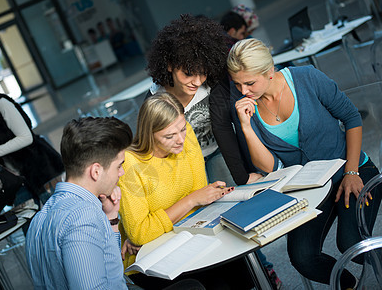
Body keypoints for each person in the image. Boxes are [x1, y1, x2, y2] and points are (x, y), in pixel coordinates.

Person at [227, 38, 382, 289]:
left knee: (351, 241)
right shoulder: (246, 107)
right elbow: (271, 167)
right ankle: (348, 285)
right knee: (303, 258)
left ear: (269, 72)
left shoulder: (307, 78)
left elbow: (352, 118)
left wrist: (352, 171)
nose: (243, 90)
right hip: (308, 189)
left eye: (249, 82)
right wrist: (245, 126)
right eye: (237, 84)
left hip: (352, 171)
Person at [25, 117, 204, 290]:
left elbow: (107, 272)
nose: (122, 172)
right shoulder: (83, 218)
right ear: (96, 171)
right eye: (119, 165)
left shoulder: (40, 218)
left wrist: (111, 219)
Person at [118, 93, 258, 290]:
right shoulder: (129, 164)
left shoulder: (186, 134)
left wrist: (196, 201)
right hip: (151, 257)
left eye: (182, 129)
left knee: (243, 271)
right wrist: (191, 201)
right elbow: (141, 234)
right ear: (149, 133)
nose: (180, 140)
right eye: (169, 136)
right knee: (219, 283)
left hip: (187, 236)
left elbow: (201, 197)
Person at [145, 14, 233, 185]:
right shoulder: (155, 99)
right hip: (183, 163)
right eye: (188, 74)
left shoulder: (212, 84)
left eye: (203, 73)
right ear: (169, 65)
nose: (198, 81)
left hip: (219, 152)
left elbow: (226, 127)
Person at [0, 81, 64, 206]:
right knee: (28, 222)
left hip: (39, 168)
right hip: (14, 179)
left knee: (59, 212)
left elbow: (26, 137)